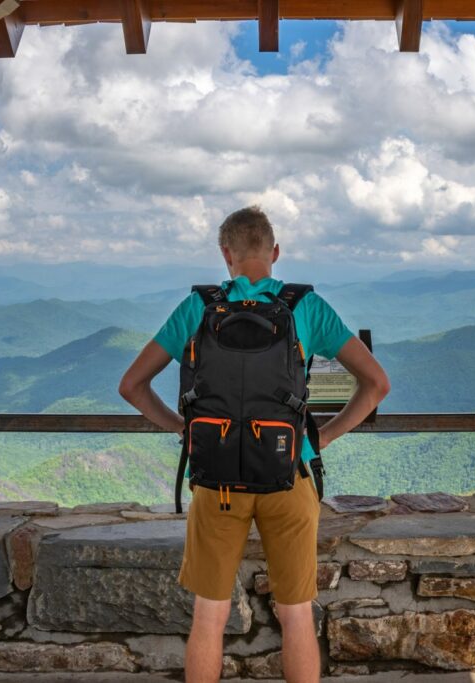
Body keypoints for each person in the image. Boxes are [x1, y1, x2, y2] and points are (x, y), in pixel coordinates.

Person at [118, 206, 390, 683]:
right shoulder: (306, 307)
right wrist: (319, 438)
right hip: (290, 473)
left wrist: (184, 430)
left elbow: (132, 386)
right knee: (296, 613)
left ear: (226, 255)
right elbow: (376, 384)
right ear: (275, 253)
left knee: (209, 613)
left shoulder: (198, 308)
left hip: (216, 479)